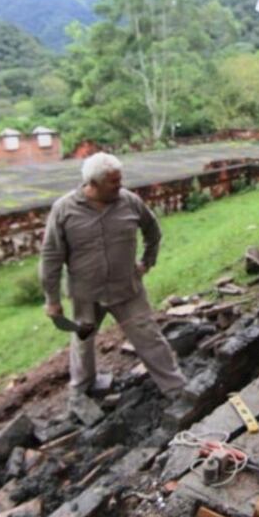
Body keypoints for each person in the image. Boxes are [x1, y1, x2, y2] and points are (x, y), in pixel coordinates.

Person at [40, 152, 186, 411]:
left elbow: (153, 230)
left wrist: (147, 261)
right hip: (86, 294)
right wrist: (52, 300)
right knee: (83, 342)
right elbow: (51, 256)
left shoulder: (130, 201)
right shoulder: (63, 210)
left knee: (148, 336)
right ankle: (81, 391)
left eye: (120, 180)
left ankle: (176, 389)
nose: (120, 185)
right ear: (92, 184)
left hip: (127, 288)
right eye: (113, 182)